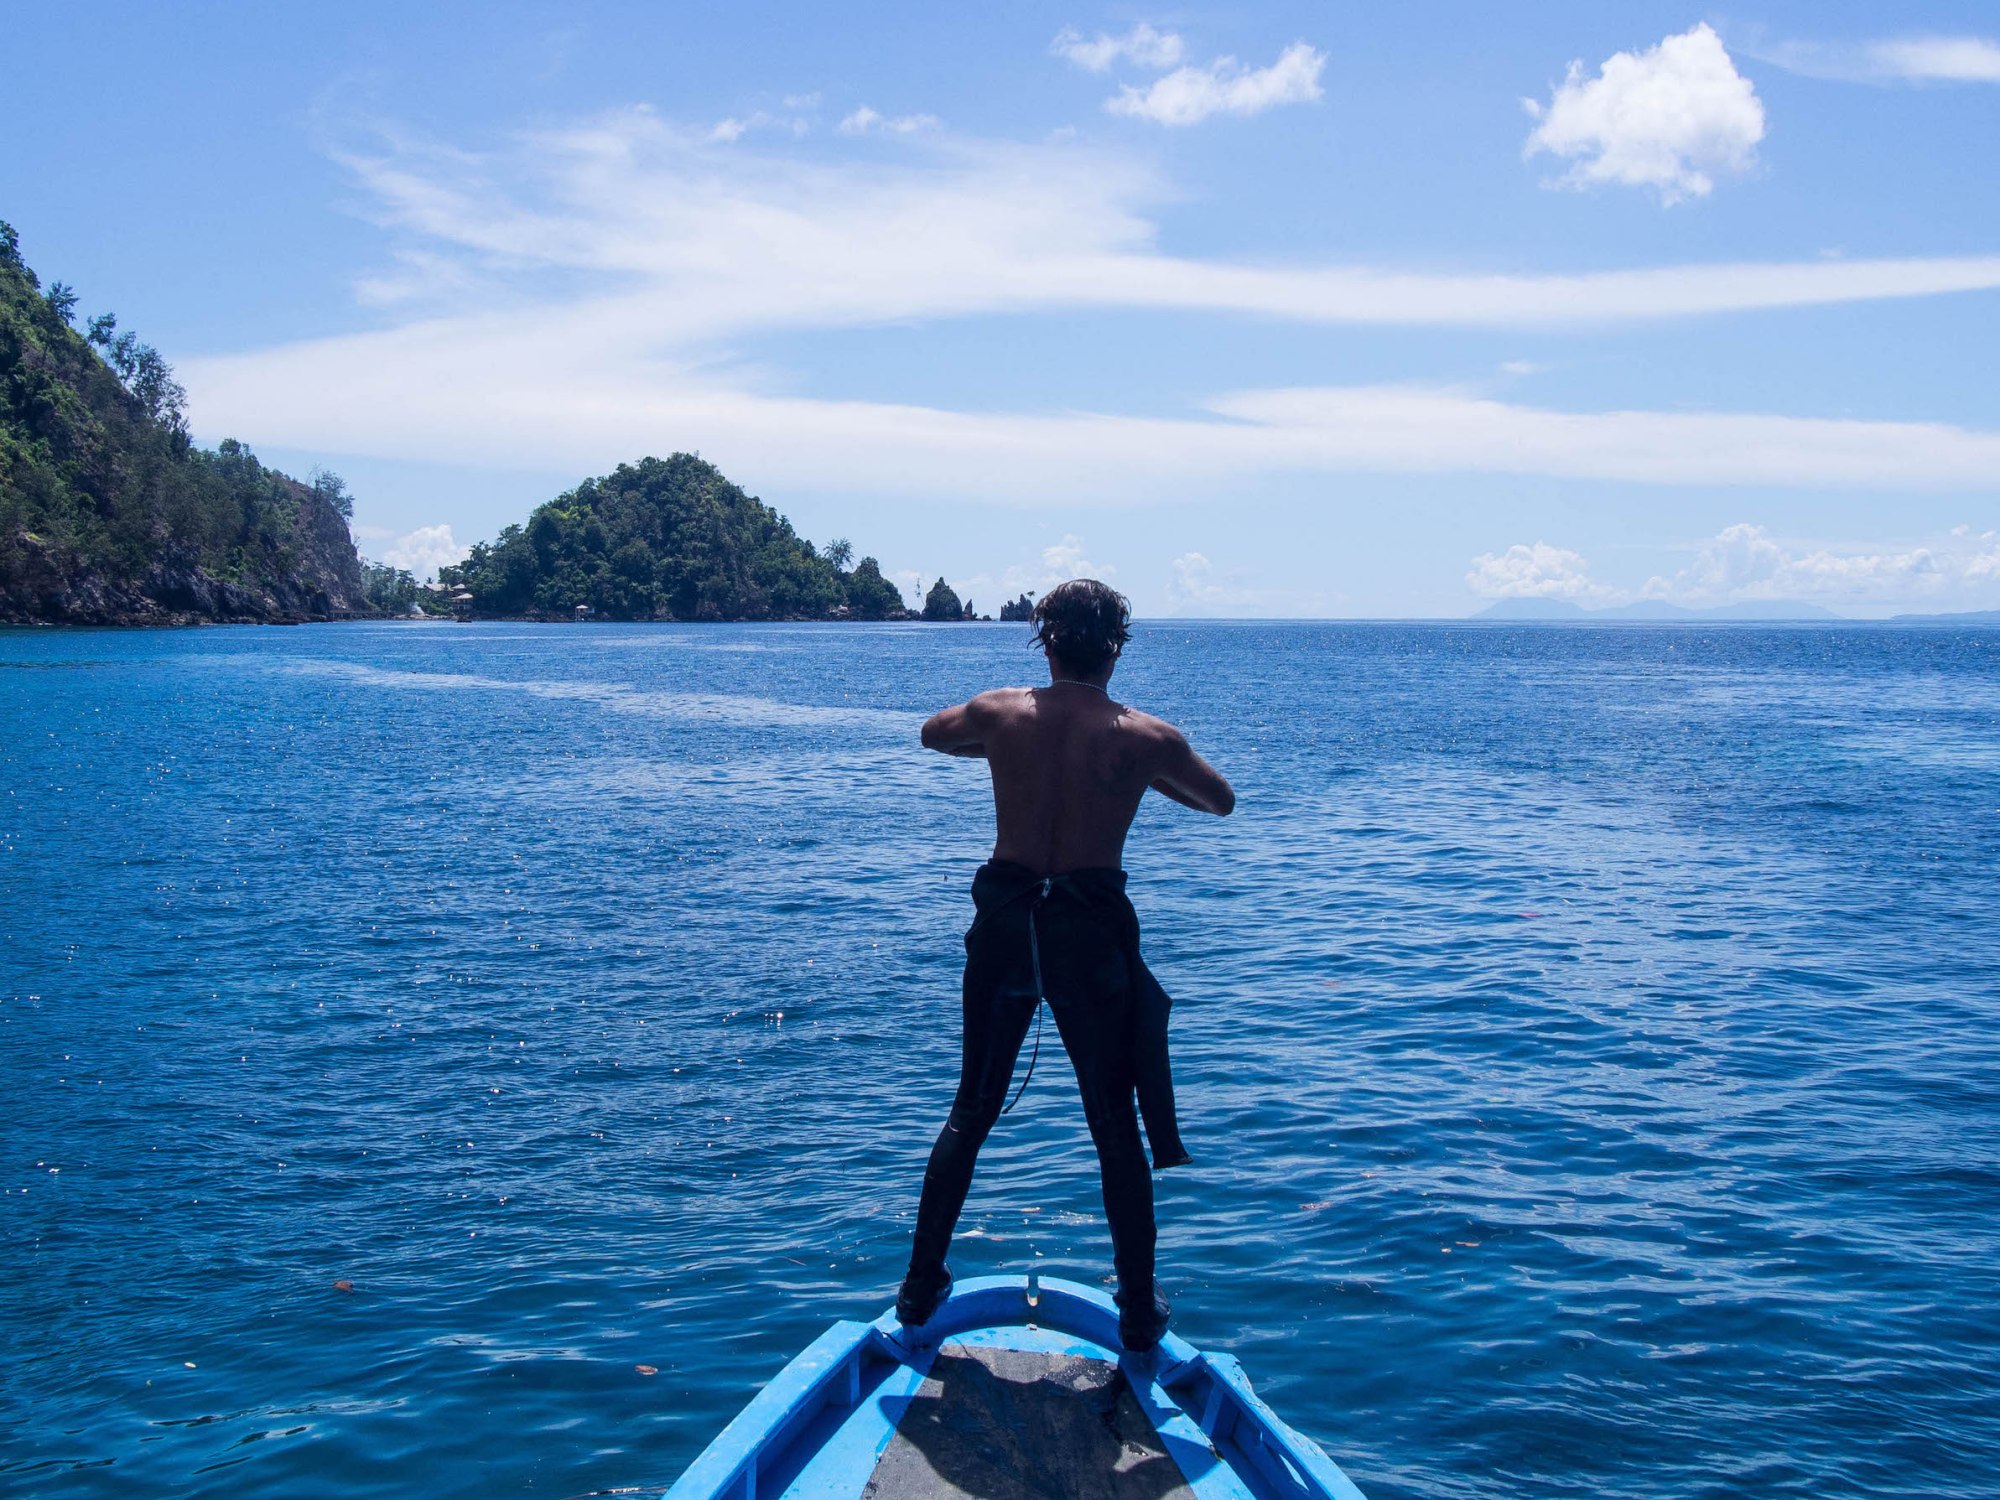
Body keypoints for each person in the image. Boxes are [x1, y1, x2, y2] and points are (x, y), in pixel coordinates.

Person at [897, 578, 1236, 1352]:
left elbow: (931, 734)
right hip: (1089, 936)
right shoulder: (1146, 737)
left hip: (1010, 923)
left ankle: (920, 1287)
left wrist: (1007, 743)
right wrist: (1143, 776)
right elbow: (1220, 801)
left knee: (970, 1110)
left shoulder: (1000, 712)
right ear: (1116, 645)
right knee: (1114, 1125)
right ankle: (1140, 1309)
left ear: (1044, 640)